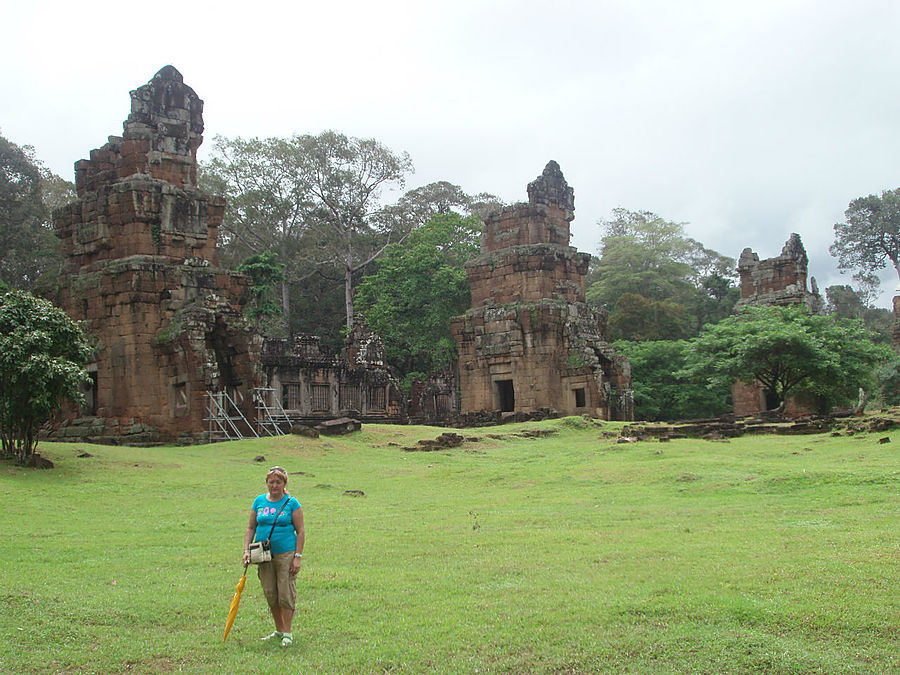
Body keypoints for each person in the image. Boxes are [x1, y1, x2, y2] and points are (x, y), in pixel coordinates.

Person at [242, 465, 305, 647]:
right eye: (271, 482)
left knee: (285, 591)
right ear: (267, 483)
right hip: (263, 554)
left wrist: (297, 557)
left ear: (284, 483)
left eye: (278, 482)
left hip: (286, 553)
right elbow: (251, 527)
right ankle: (278, 630)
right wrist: (247, 550)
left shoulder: (292, 503)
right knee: (270, 592)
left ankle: (288, 632)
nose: (274, 486)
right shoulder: (259, 501)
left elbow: (300, 532)